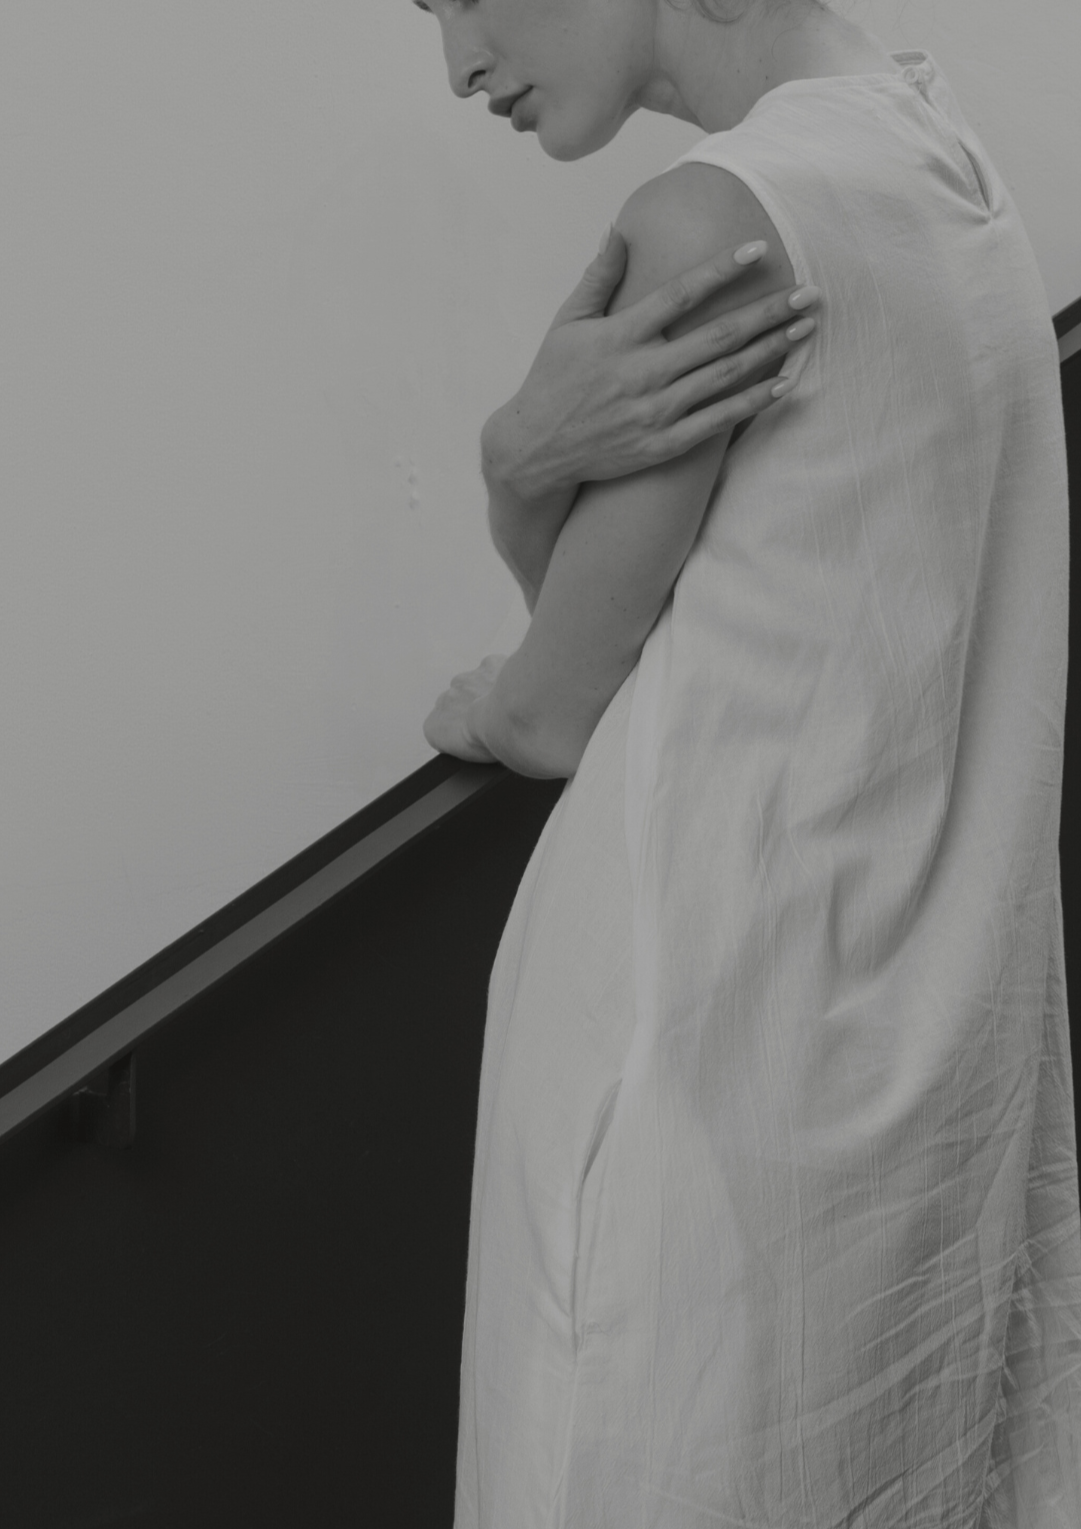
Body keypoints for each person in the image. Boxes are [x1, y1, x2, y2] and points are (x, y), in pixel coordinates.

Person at [418, 1, 1081, 1523]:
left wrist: (515, 461)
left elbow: (549, 708)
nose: (457, 63)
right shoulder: (934, 150)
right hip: (895, 1109)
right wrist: (532, 485)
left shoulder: (715, 221)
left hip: (691, 1098)